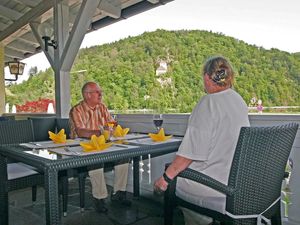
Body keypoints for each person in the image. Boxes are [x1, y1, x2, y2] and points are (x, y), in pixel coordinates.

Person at [154, 56, 250, 225]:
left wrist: (164, 179)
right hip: (236, 182)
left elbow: (189, 153)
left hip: (213, 186)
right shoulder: (239, 101)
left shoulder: (208, 103)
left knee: (173, 180)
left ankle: (201, 218)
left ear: (207, 77)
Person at [69, 81, 131, 213]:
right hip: (82, 147)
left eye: (100, 91)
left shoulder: (102, 107)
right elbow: (80, 131)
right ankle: (99, 198)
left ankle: (119, 193)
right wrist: (100, 133)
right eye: (97, 92)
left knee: (124, 156)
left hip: (102, 144)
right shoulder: (76, 110)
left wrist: (113, 129)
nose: (100, 94)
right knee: (95, 160)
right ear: (87, 95)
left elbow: (111, 124)